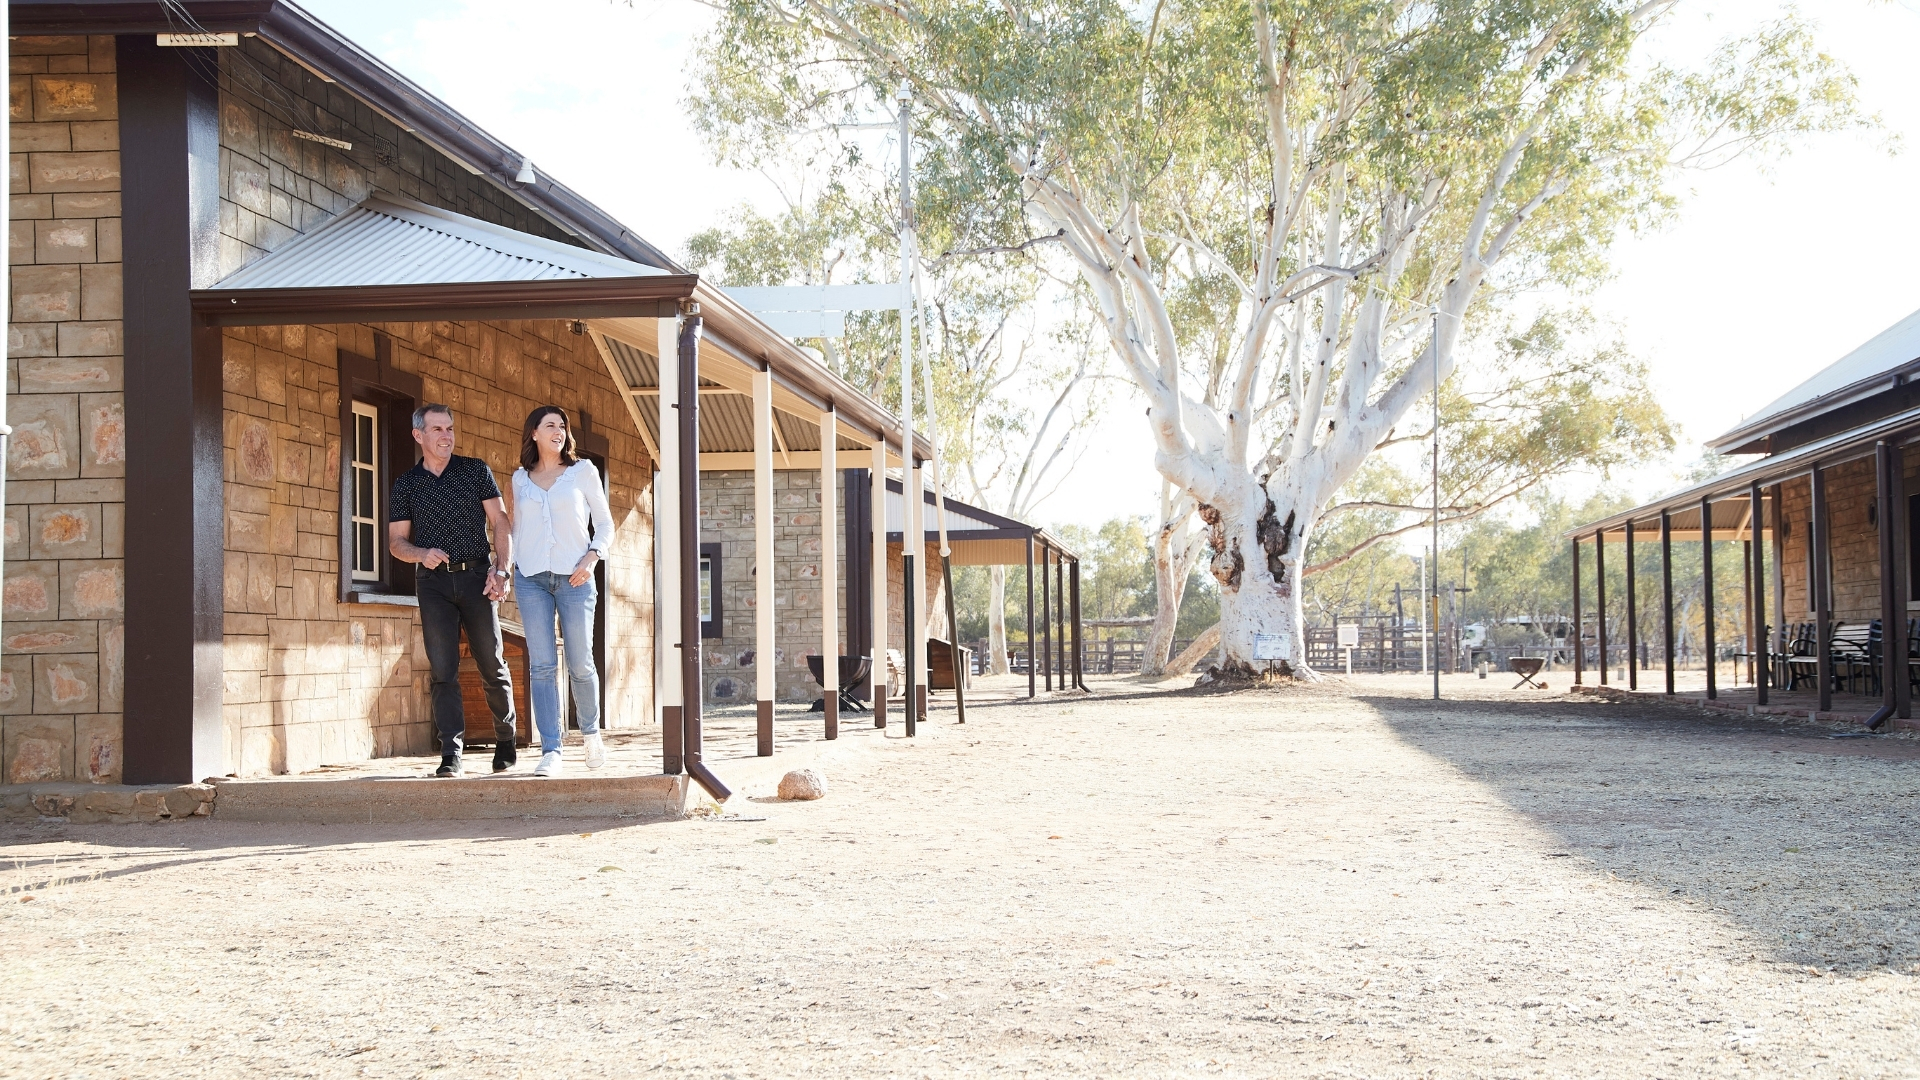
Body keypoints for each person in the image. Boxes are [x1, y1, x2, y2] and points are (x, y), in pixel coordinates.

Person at [388, 404, 518, 777]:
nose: (447, 436)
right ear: (418, 435)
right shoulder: (406, 484)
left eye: (450, 428)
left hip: (477, 576)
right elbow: (396, 542)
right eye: (437, 429)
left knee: (491, 663)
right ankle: (451, 754)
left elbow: (500, 521)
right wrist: (420, 554)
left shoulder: (475, 470)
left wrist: (502, 571)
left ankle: (505, 739)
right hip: (434, 584)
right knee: (443, 670)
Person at [510, 405, 615, 778]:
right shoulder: (520, 479)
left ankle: (591, 734)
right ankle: (551, 750)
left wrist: (592, 557)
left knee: (581, 662)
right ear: (534, 433)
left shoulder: (582, 471)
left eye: (562, 426)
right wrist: (505, 568)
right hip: (531, 579)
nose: (558, 430)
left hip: (575, 579)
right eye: (550, 425)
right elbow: (515, 530)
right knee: (541, 666)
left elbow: (605, 523)